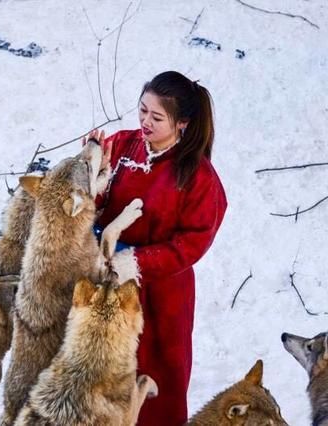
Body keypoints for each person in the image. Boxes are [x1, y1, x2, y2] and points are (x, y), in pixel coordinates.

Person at [83, 71, 227, 425]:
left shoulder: (197, 176)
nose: (145, 121)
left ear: (182, 124)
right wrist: (91, 174)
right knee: (102, 372)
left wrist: (137, 261)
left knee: (158, 376)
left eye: (156, 117)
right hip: (106, 280)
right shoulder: (121, 144)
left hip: (162, 295)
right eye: (142, 110)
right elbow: (95, 201)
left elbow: (193, 242)